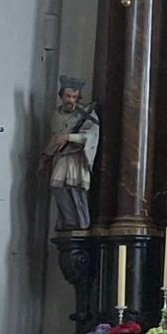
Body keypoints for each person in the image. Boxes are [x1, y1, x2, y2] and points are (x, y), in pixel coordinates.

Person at [45, 79, 100, 232]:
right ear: (62, 96)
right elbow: (54, 137)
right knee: (56, 185)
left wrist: (69, 137)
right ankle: (69, 220)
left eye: (74, 97)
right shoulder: (57, 114)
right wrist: (45, 157)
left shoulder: (86, 113)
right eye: (68, 96)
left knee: (74, 188)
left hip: (77, 156)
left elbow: (92, 135)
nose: (71, 100)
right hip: (62, 156)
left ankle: (81, 222)